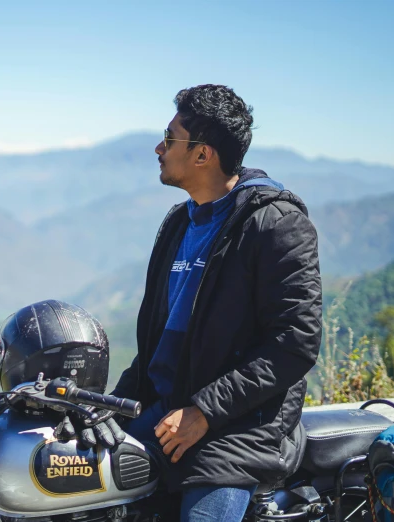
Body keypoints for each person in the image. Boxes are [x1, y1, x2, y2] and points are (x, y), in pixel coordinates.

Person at [110, 84, 322, 521]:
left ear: (202, 155)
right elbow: (156, 345)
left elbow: (294, 344)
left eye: (170, 139)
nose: (158, 148)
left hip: (237, 432)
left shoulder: (276, 225)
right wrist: (109, 409)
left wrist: (205, 411)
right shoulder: (179, 223)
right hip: (164, 415)